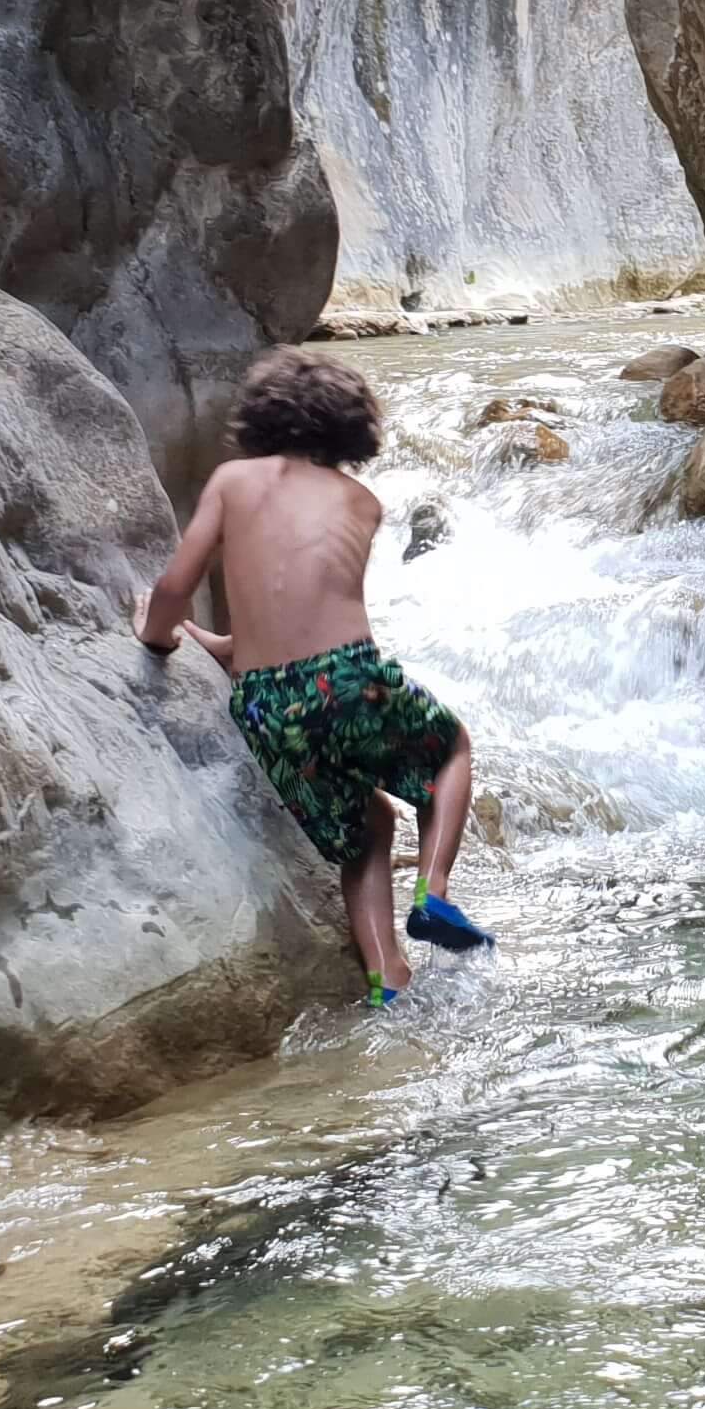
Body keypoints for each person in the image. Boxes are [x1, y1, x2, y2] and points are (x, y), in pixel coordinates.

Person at [134, 349, 492, 1003]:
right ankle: (434, 894)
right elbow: (315, 617)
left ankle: (388, 976)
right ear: (351, 427)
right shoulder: (360, 500)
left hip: (268, 704)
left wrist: (162, 637)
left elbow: (178, 587)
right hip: (350, 678)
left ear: (260, 416)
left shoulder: (232, 481)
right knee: (451, 751)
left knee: (366, 832)